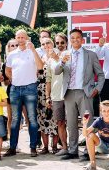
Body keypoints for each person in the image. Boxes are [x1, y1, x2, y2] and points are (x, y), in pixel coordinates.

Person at [54, 28, 105, 160]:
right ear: (69, 40)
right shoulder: (65, 54)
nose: (75, 40)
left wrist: (97, 89)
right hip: (69, 93)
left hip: (85, 93)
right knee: (71, 124)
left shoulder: (91, 55)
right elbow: (56, 71)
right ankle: (73, 151)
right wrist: (62, 61)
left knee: (88, 122)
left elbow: (100, 74)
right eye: (72, 38)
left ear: (82, 40)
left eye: (77, 37)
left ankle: (88, 151)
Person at [4, 29, 44, 157]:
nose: (20, 40)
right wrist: (13, 79)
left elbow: (40, 67)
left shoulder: (33, 51)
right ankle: (12, 147)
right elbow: (7, 70)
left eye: (23, 37)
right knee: (15, 119)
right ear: (16, 38)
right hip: (15, 89)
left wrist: (33, 50)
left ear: (27, 38)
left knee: (32, 118)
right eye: (18, 37)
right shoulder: (11, 54)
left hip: (30, 88)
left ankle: (33, 147)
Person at [81, 100, 109, 170]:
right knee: (90, 136)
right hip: (101, 145)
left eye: (108, 111)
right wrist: (85, 124)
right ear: (101, 112)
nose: (106, 113)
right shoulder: (98, 120)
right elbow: (85, 134)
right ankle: (92, 163)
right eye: (104, 111)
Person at [49, 34, 69, 156]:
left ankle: (73, 147)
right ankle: (65, 147)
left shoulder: (70, 55)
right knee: (60, 122)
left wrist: (58, 59)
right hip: (56, 94)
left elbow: (65, 69)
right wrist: (48, 96)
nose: (60, 45)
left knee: (71, 123)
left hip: (69, 93)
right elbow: (49, 78)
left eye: (62, 42)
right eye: (57, 43)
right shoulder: (50, 59)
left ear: (66, 43)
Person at [37, 37, 58, 153]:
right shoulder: (41, 58)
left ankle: (54, 146)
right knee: (43, 118)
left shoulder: (58, 56)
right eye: (43, 44)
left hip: (55, 89)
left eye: (48, 43)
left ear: (52, 43)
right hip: (41, 91)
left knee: (56, 119)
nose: (46, 45)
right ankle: (45, 147)